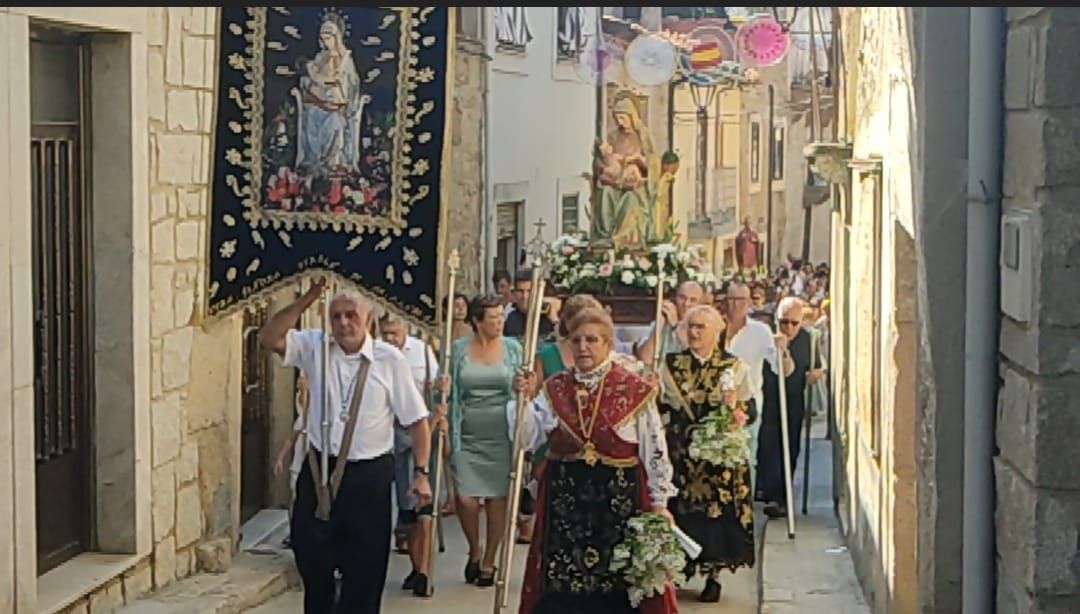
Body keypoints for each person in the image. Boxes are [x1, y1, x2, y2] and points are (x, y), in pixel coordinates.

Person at [259, 280, 434, 613]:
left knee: (364, 575)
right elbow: (270, 338)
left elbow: (416, 420)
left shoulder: (388, 359)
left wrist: (421, 473)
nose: (343, 323)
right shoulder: (315, 347)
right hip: (319, 471)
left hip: (367, 477)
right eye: (335, 316)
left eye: (351, 315)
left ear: (368, 318)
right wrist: (308, 298)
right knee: (312, 561)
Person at [514, 307, 678, 614]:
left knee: (617, 583)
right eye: (576, 340)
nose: (583, 347)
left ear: (607, 344)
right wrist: (522, 401)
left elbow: (654, 448)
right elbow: (528, 438)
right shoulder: (555, 388)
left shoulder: (632, 389)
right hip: (566, 505)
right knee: (565, 583)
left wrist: (659, 504)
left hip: (618, 503)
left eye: (592, 340)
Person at [658, 305, 757, 602]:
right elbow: (661, 406)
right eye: (691, 327)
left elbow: (750, 410)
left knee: (716, 512)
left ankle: (713, 574)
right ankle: (675, 569)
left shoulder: (734, 366)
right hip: (682, 451)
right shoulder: (671, 365)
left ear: (717, 331)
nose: (695, 332)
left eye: (702, 327)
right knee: (679, 507)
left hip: (717, 454)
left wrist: (735, 407)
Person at [444, 294, 523, 587]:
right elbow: (448, 394)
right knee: (465, 498)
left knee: (496, 499)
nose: (500, 322)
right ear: (477, 321)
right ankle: (474, 549)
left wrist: (522, 386)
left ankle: (490, 559)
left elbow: (525, 390)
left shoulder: (513, 349)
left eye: (502, 316)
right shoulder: (458, 350)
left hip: (501, 434)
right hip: (467, 433)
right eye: (493, 317)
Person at [378, 311, 440, 597]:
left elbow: (437, 393)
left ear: (406, 328)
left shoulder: (423, 353)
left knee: (421, 503)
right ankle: (416, 567)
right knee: (404, 509)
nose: (390, 337)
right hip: (384, 433)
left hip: (419, 432)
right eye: (385, 332)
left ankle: (423, 571)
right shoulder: (375, 353)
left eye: (395, 331)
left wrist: (439, 413)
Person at [756, 297, 824, 518]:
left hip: (793, 399)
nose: (788, 328)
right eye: (783, 322)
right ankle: (771, 492)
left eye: (794, 323)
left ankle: (782, 497)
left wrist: (816, 374)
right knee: (767, 446)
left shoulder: (808, 340)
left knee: (790, 447)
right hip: (768, 398)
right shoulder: (767, 337)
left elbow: (817, 367)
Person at [635, 280, 705, 364]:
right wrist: (659, 324)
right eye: (682, 298)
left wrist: (675, 326)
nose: (686, 304)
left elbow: (697, 359)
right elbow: (646, 359)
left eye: (693, 300)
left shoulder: (705, 328)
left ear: (701, 304)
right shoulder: (662, 322)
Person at [503, 269, 560, 341]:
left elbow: (566, 342)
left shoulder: (550, 317)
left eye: (529, 291)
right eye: (520, 291)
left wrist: (554, 319)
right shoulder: (509, 318)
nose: (525, 296)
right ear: (514, 293)